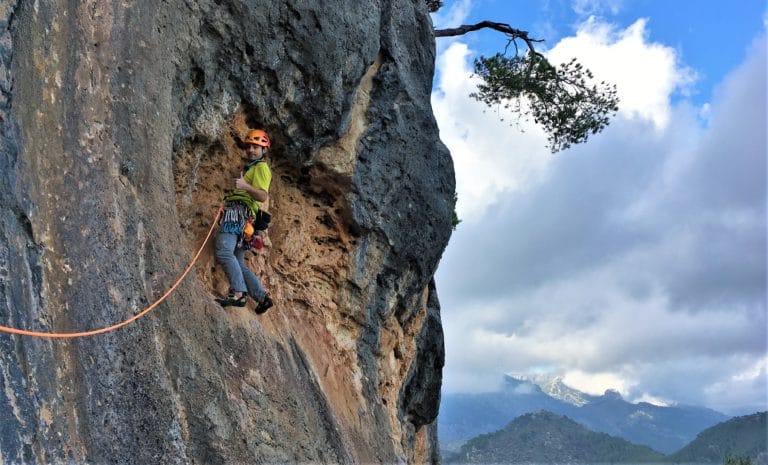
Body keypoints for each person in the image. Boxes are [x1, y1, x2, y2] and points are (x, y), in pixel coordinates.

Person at [214, 128, 273, 314]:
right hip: (242, 216)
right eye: (249, 146)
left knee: (224, 252)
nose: (251, 150)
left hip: (238, 214)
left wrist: (245, 186)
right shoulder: (252, 168)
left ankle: (239, 292)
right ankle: (261, 297)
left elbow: (263, 196)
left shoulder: (261, 168)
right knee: (238, 263)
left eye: (256, 147)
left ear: (264, 150)